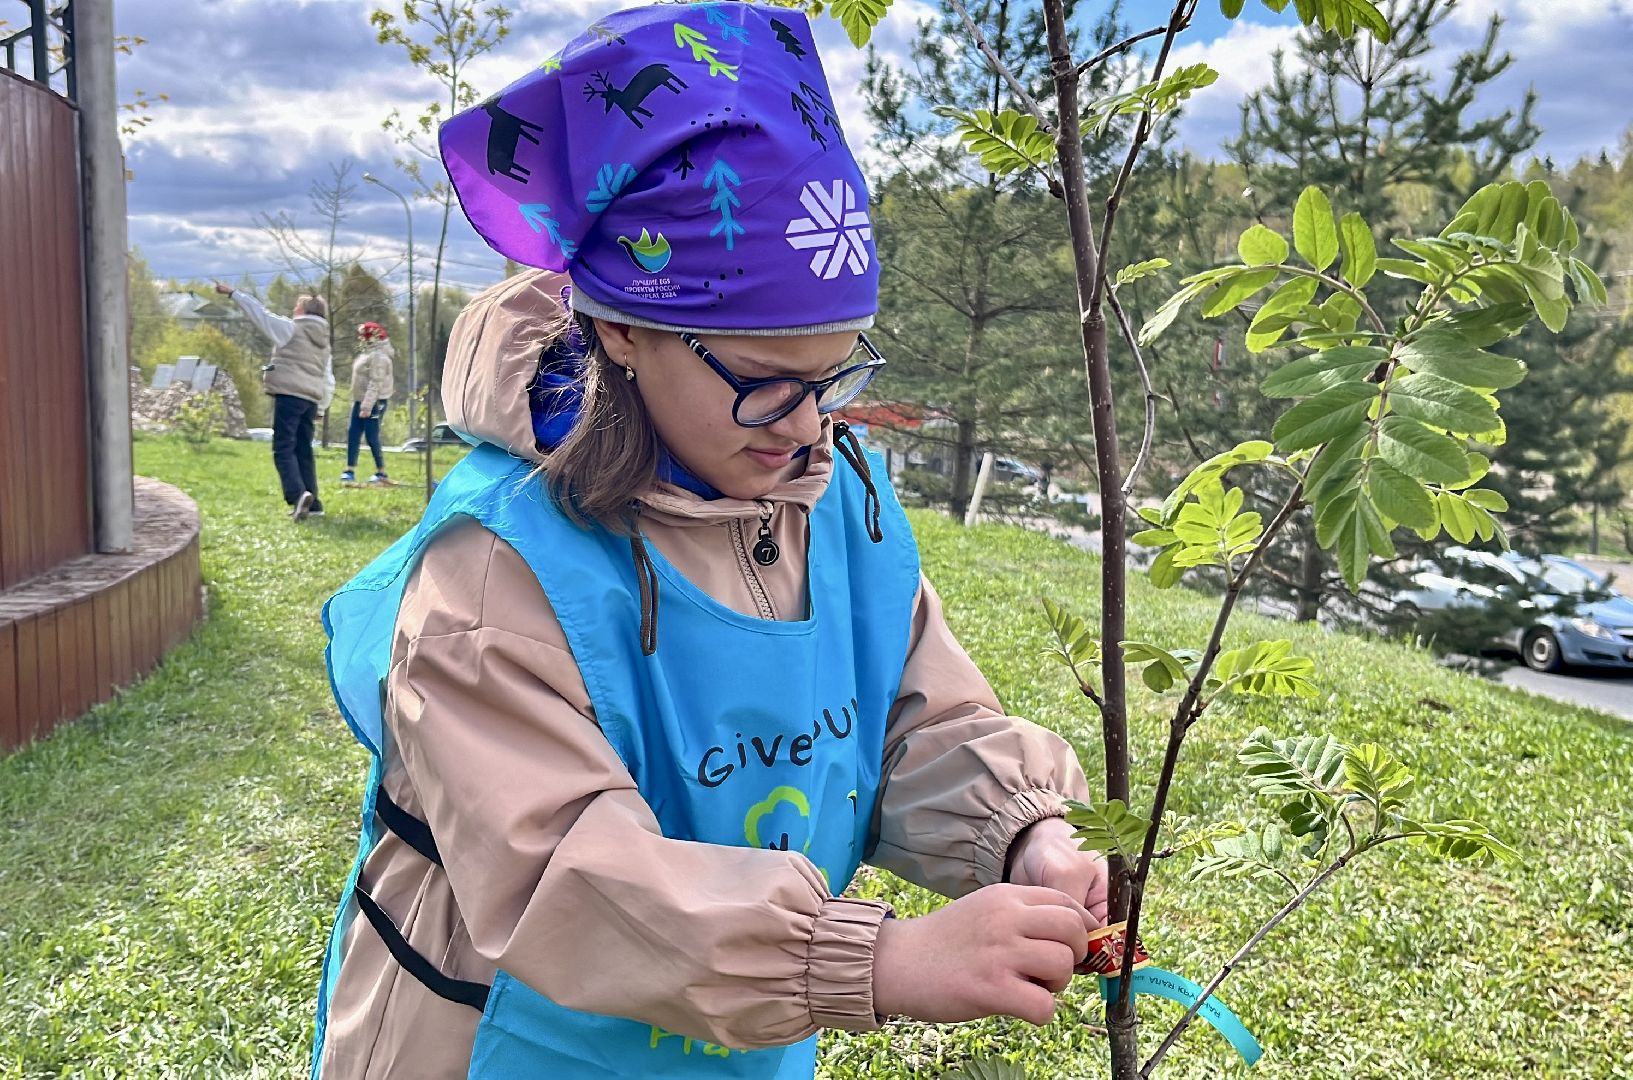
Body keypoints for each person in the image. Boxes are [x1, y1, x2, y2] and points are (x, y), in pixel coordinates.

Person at [312, 6, 1108, 1079]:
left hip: (732, 1037)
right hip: (499, 1040)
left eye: (835, 377)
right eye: (765, 383)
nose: (806, 425)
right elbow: (565, 873)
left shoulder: (837, 502)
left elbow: (914, 721)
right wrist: (872, 961)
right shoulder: (495, 569)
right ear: (623, 329)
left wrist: (1020, 834)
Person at [213, 281, 335, 519]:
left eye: (296, 307)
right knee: (303, 450)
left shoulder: (291, 329)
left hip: (289, 396)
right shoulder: (324, 344)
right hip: (310, 400)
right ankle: (315, 505)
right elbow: (327, 377)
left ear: (302, 311)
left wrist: (234, 293)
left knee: (283, 448)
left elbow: (261, 315)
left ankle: (298, 495)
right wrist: (321, 406)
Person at [340, 322, 395, 485]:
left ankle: (381, 472)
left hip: (374, 402)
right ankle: (349, 470)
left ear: (372, 337)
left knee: (372, 436)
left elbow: (375, 383)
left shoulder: (379, 357)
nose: (360, 339)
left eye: (363, 336)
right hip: (360, 400)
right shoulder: (367, 353)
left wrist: (366, 407)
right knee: (353, 434)